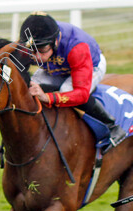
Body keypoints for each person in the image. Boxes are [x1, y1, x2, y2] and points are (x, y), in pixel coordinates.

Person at [20, 12, 126, 149]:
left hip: (91, 65)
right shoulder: (33, 40)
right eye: (32, 51)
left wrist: (47, 97)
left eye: (42, 50)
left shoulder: (78, 48)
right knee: (30, 87)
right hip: (56, 66)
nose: (37, 57)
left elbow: (81, 95)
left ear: (55, 41)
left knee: (65, 91)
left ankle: (112, 126)